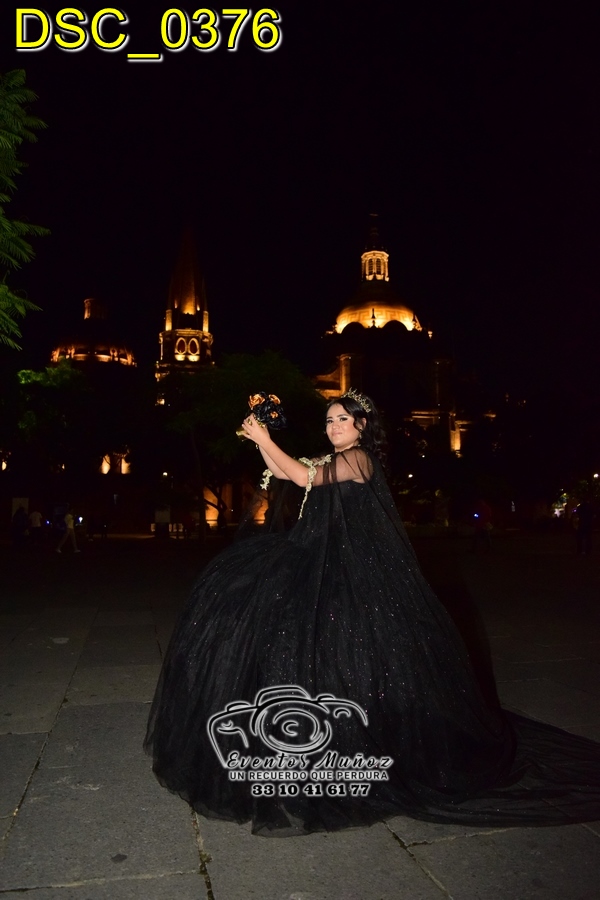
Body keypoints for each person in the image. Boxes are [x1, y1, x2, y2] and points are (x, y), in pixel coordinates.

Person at [145, 391, 600, 836]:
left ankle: (351, 736)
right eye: (329, 420)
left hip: (353, 568)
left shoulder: (360, 459)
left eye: (342, 419)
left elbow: (301, 477)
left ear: (361, 425)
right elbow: (286, 471)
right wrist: (261, 439)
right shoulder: (332, 459)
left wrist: (265, 438)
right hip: (315, 556)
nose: (333, 427)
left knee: (356, 649)